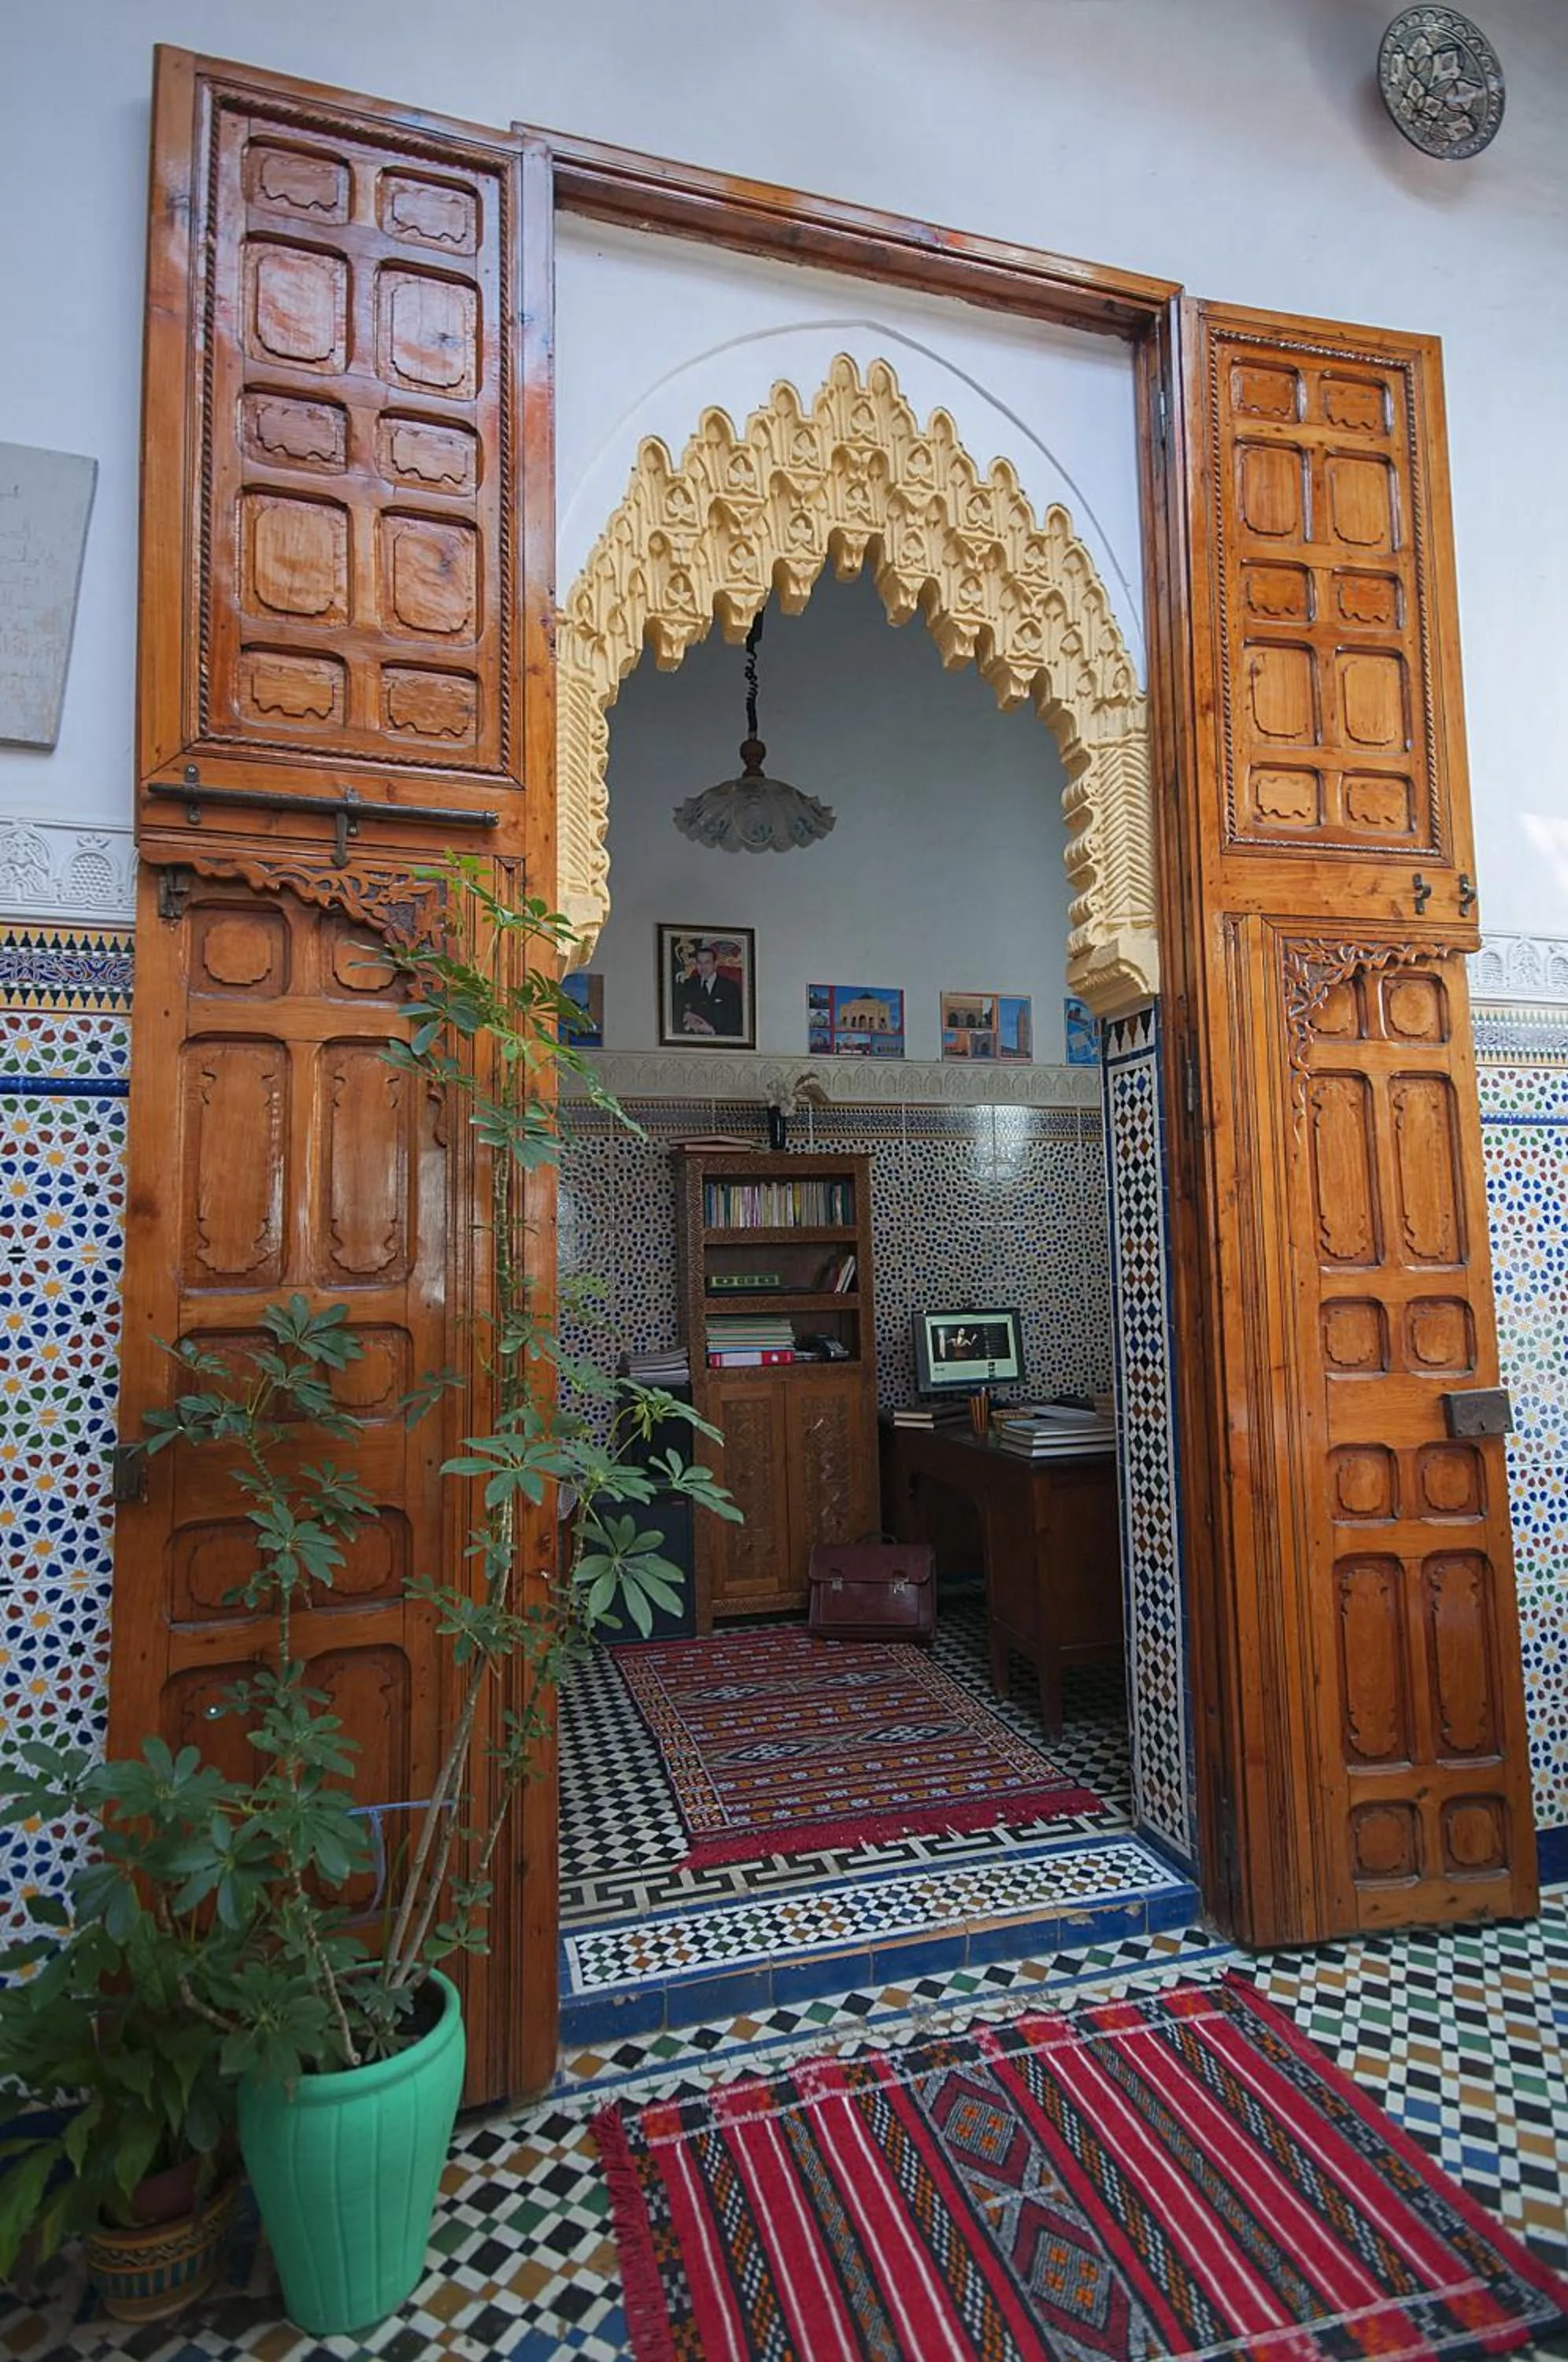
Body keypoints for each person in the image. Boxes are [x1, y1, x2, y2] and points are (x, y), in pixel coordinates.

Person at [675, 940, 744, 1037]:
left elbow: (736, 1019)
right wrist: (686, 1014)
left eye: (707, 963)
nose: (703, 967)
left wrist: (713, 1031)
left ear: (715, 964)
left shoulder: (730, 987)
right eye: (699, 963)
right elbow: (677, 1008)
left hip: (721, 1038)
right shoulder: (689, 984)